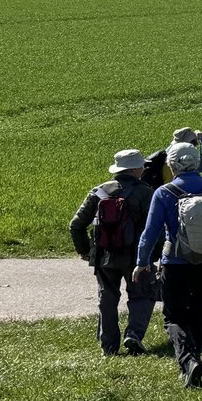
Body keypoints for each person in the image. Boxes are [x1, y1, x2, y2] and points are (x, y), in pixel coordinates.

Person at [133, 141, 202, 388]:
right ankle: (194, 363)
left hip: (176, 262)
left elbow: (149, 233)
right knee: (197, 312)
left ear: (171, 166)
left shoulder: (164, 193)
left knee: (172, 317)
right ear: (197, 162)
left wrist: (142, 262)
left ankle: (189, 362)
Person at [70, 149, 158, 357]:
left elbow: (76, 225)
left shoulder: (98, 192)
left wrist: (86, 251)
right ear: (135, 169)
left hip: (104, 256)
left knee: (107, 299)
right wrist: (151, 256)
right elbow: (156, 228)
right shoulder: (146, 193)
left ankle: (108, 346)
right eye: (142, 166)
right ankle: (134, 334)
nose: (143, 169)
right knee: (142, 295)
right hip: (136, 256)